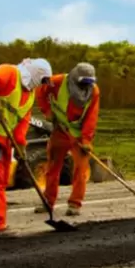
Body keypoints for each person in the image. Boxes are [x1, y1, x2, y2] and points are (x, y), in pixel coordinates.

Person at [0, 57, 52, 238]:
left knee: (0, 181)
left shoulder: (29, 96)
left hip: (4, 139)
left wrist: (21, 146)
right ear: (36, 74)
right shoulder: (10, 72)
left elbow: (22, 124)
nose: (43, 84)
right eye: (44, 80)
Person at [36, 63, 99, 217]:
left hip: (78, 135)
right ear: (75, 78)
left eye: (89, 82)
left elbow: (91, 117)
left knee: (80, 169)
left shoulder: (94, 92)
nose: (87, 85)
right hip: (60, 131)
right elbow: (39, 91)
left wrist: (86, 140)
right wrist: (47, 111)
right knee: (52, 167)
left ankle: (75, 204)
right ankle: (48, 201)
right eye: (84, 82)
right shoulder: (55, 81)